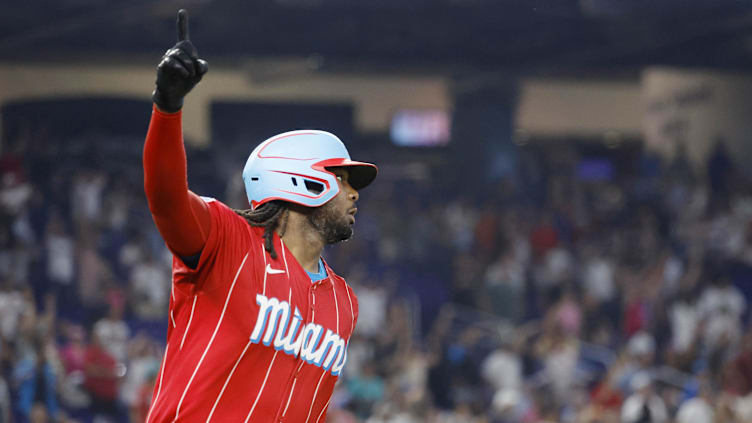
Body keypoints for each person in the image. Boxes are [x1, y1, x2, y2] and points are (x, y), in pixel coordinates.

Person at [142, 9, 377, 422]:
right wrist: (168, 106)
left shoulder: (344, 302)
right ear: (301, 181)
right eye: (342, 179)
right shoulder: (226, 238)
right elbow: (166, 199)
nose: (355, 193)